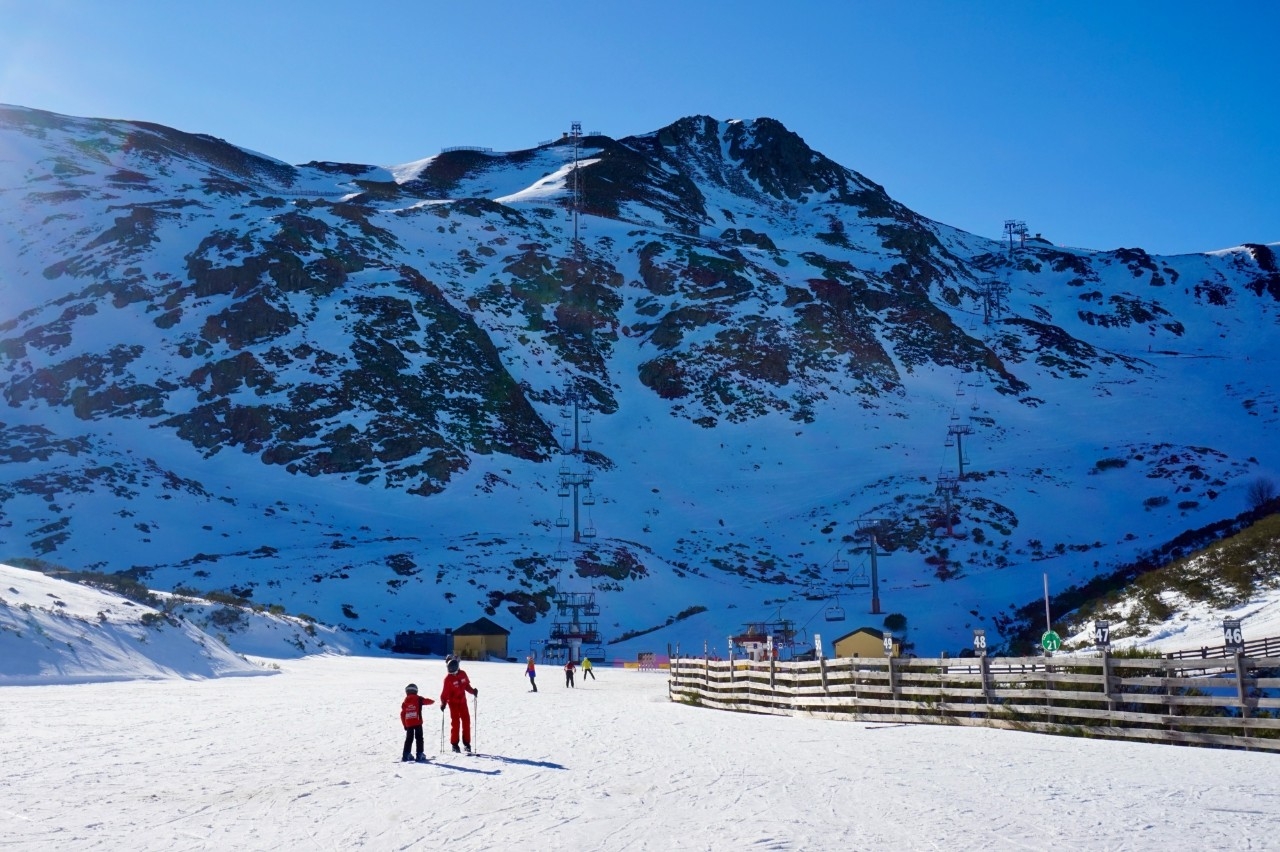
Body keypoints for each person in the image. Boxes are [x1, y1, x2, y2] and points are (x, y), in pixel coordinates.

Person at [439, 654, 478, 753]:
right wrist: (443, 703)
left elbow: (466, 686)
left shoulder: (463, 674)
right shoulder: (448, 679)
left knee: (466, 722)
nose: (452, 672)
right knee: (455, 723)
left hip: (463, 702)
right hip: (453, 704)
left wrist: (473, 691)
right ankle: (454, 744)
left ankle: (467, 744)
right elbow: (444, 694)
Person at [400, 683, 434, 762]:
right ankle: (419, 754)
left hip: (408, 723)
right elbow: (428, 701)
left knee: (409, 739)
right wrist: (433, 701)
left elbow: (402, 714)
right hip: (418, 722)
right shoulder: (418, 698)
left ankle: (406, 755)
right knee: (419, 738)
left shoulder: (405, 702)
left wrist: (404, 725)